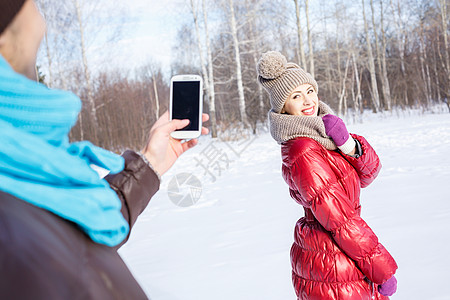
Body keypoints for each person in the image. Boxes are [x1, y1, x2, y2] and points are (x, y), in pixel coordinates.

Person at [0, 1, 209, 299]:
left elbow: (77, 228)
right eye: (29, 5)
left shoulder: (26, 167)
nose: (41, 19)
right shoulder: (11, 220)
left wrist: (149, 163)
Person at [257, 51, 398, 299]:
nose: (308, 101)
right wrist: (381, 269)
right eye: (296, 96)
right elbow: (339, 219)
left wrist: (348, 145)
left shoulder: (323, 135)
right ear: (284, 107)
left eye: (309, 91)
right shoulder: (302, 149)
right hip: (330, 263)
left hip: (344, 253)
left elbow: (369, 174)